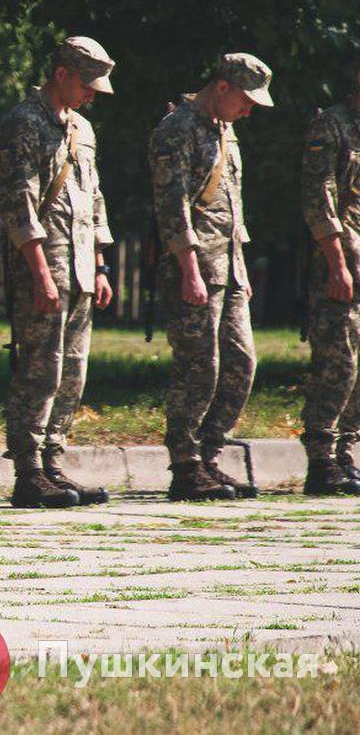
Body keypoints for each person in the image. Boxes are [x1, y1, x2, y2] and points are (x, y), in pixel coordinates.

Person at [0, 37, 117, 508]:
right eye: (87, 86)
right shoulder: (25, 122)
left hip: (83, 266)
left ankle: (53, 461)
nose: (91, 96)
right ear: (61, 74)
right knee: (40, 369)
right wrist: (41, 273)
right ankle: (28, 470)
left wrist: (101, 265)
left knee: (72, 370)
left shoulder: (82, 129)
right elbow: (20, 202)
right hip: (44, 265)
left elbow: (94, 198)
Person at [150, 53, 273, 502]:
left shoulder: (226, 129)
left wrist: (240, 265)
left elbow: (231, 204)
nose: (249, 110)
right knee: (199, 368)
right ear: (222, 86)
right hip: (196, 268)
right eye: (246, 100)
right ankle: (186, 465)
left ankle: (209, 454)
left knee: (241, 362)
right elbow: (173, 205)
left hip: (229, 267)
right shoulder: (177, 128)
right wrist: (188, 270)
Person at [297, 63, 360, 496]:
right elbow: (318, 199)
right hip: (340, 264)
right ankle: (321, 457)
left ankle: (347, 453)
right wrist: (336, 263)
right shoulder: (331, 126)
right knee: (338, 359)